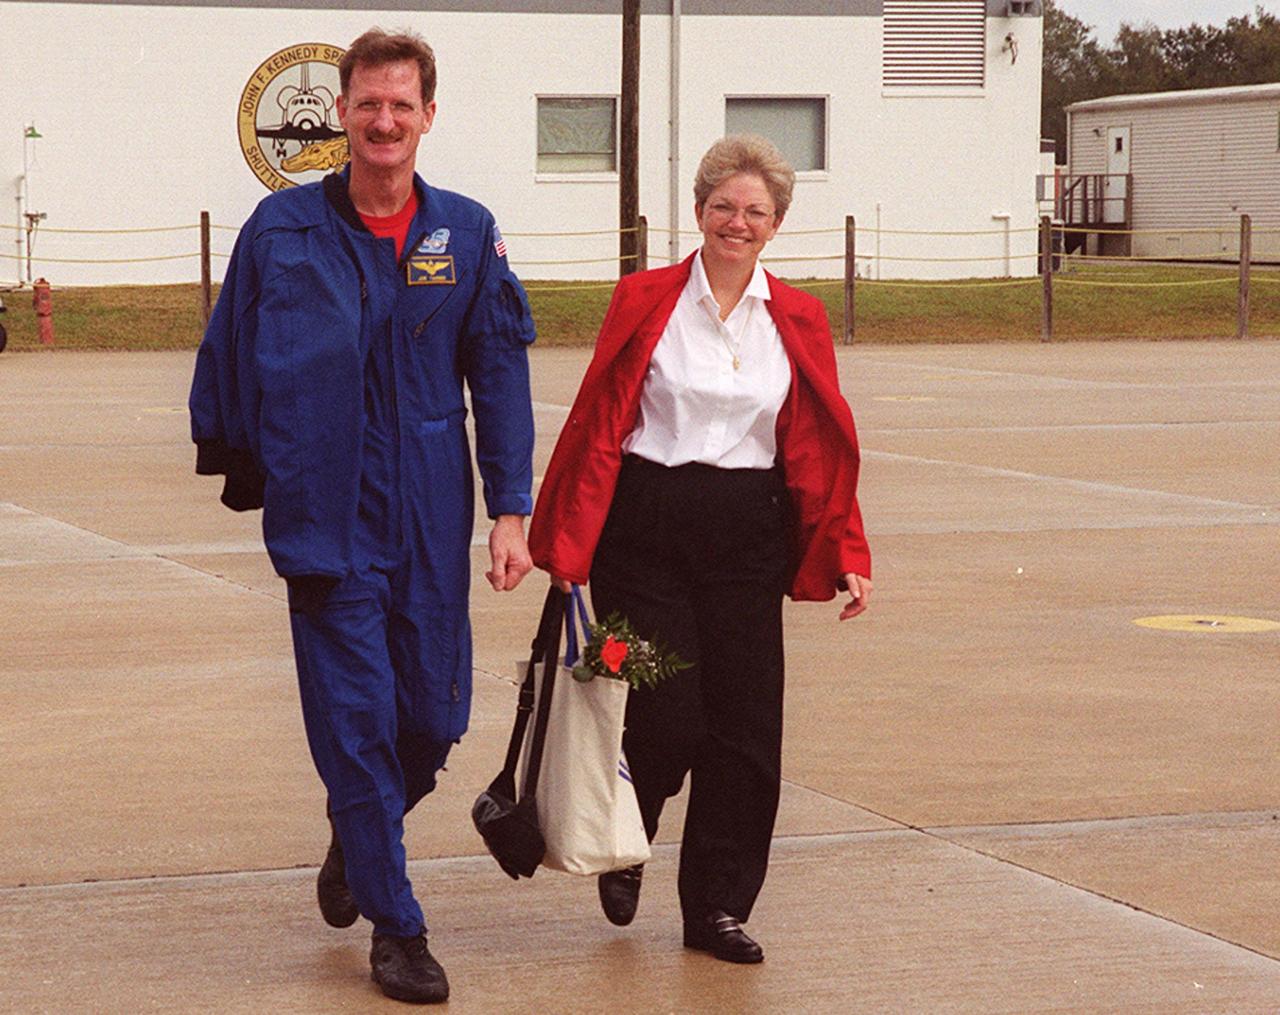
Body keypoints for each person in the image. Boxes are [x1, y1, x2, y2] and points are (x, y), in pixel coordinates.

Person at [188, 28, 535, 1005]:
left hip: (428, 501)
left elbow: (499, 372)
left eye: (401, 105)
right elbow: (229, 345)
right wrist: (235, 454)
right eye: (366, 103)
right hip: (323, 508)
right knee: (352, 721)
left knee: (430, 713)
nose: (383, 121)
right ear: (340, 113)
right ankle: (398, 925)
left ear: (427, 116)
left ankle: (359, 829)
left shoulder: (464, 232)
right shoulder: (282, 230)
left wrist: (510, 505)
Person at [528, 134, 871, 965]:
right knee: (660, 706)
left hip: (747, 532)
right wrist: (568, 537)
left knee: (746, 730)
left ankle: (716, 905)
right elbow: (597, 419)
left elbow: (818, 441)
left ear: (776, 225)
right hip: (642, 526)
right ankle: (628, 831)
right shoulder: (645, 297)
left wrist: (847, 546)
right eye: (724, 206)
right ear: (699, 212)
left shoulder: (797, 317)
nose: (738, 222)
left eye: (756, 211)